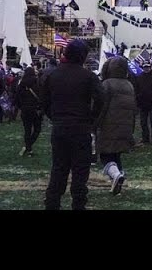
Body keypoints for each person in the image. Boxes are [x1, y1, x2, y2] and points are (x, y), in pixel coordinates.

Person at [42, 39, 104, 211]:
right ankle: (78, 204)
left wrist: (55, 117)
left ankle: (52, 203)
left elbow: (44, 101)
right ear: (83, 57)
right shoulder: (88, 76)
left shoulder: (53, 75)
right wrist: (91, 119)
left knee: (59, 168)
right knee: (80, 170)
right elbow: (101, 99)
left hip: (60, 127)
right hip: (81, 127)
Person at [96, 57, 136, 195]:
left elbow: (102, 107)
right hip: (125, 126)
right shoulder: (129, 85)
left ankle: (115, 176)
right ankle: (118, 182)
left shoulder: (107, 84)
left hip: (108, 125)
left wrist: (95, 124)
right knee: (117, 155)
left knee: (105, 156)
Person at [134, 61, 152, 145]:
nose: (146, 68)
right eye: (145, 67)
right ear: (142, 68)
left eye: (147, 67)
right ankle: (145, 138)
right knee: (143, 122)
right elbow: (136, 89)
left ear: (150, 67)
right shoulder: (139, 77)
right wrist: (138, 99)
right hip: (142, 103)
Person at [14, 67, 42, 156]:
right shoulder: (37, 82)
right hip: (35, 109)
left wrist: (20, 107)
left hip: (25, 109)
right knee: (37, 129)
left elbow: (17, 97)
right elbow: (42, 95)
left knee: (27, 130)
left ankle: (28, 148)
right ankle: (28, 146)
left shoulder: (21, 84)